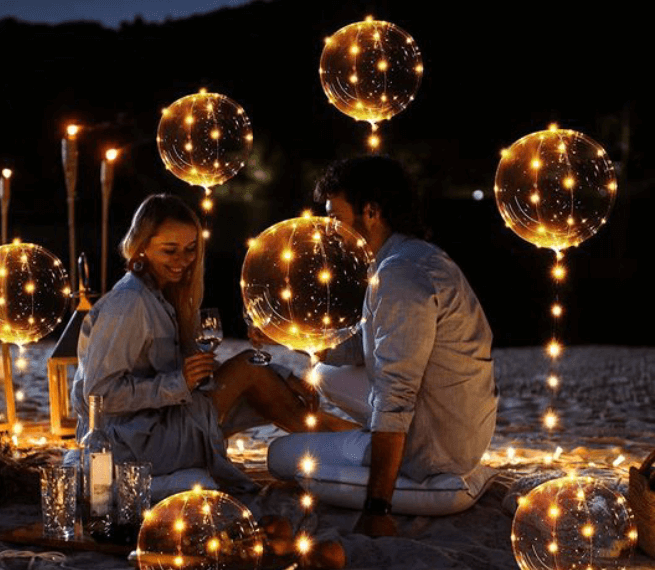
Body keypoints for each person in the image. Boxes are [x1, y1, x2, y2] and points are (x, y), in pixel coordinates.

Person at [267, 156, 498, 536]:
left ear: (371, 212)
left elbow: (396, 394)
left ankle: (360, 448)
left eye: (336, 217)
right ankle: (351, 439)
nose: (330, 230)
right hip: (452, 417)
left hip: (434, 453)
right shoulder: (409, 256)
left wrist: (378, 508)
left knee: (279, 456)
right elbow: (363, 348)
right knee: (321, 373)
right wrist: (290, 336)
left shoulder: (401, 278)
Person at [71, 193, 353, 495]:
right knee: (249, 367)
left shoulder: (160, 295)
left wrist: (284, 377)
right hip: (134, 443)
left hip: (160, 422)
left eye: (191, 249)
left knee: (256, 374)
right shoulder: (129, 302)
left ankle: (353, 443)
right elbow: (98, 395)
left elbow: (201, 373)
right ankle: (357, 445)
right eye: (170, 251)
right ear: (140, 247)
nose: (182, 261)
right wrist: (177, 382)